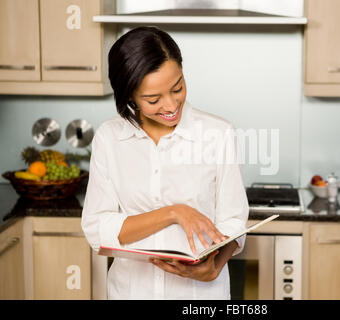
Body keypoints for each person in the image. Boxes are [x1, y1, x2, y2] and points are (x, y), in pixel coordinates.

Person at [81, 26, 249, 300]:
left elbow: (233, 220)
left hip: (200, 296)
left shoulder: (218, 134)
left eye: (177, 88)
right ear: (129, 96)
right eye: (153, 99)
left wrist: (214, 268)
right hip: (132, 292)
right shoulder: (110, 138)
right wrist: (175, 212)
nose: (171, 105)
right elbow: (97, 228)